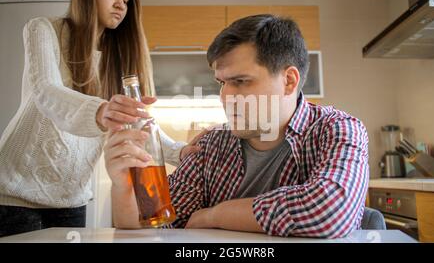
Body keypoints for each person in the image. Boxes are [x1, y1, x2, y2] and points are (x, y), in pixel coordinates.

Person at [106, 14, 370, 238]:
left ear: (289, 81)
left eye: (241, 81)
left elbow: (329, 211)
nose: (225, 96)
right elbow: (155, 224)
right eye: (222, 83)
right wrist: (122, 186)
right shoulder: (211, 145)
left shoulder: (339, 130)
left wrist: (215, 215)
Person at [0, 0, 202, 237]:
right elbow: (45, 90)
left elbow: (139, 125)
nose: (120, 4)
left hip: (72, 197)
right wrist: (101, 110)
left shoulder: (119, 57)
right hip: (15, 191)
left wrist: (179, 152)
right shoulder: (42, 28)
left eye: (126, 0)